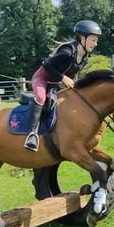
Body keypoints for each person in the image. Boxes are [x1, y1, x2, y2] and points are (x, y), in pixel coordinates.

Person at [24, 19, 102, 151]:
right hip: (42, 78)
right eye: (93, 40)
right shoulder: (66, 52)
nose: (95, 44)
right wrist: (63, 78)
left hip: (57, 83)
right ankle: (32, 134)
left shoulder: (84, 58)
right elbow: (47, 65)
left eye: (96, 40)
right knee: (42, 99)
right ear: (82, 38)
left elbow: (72, 74)